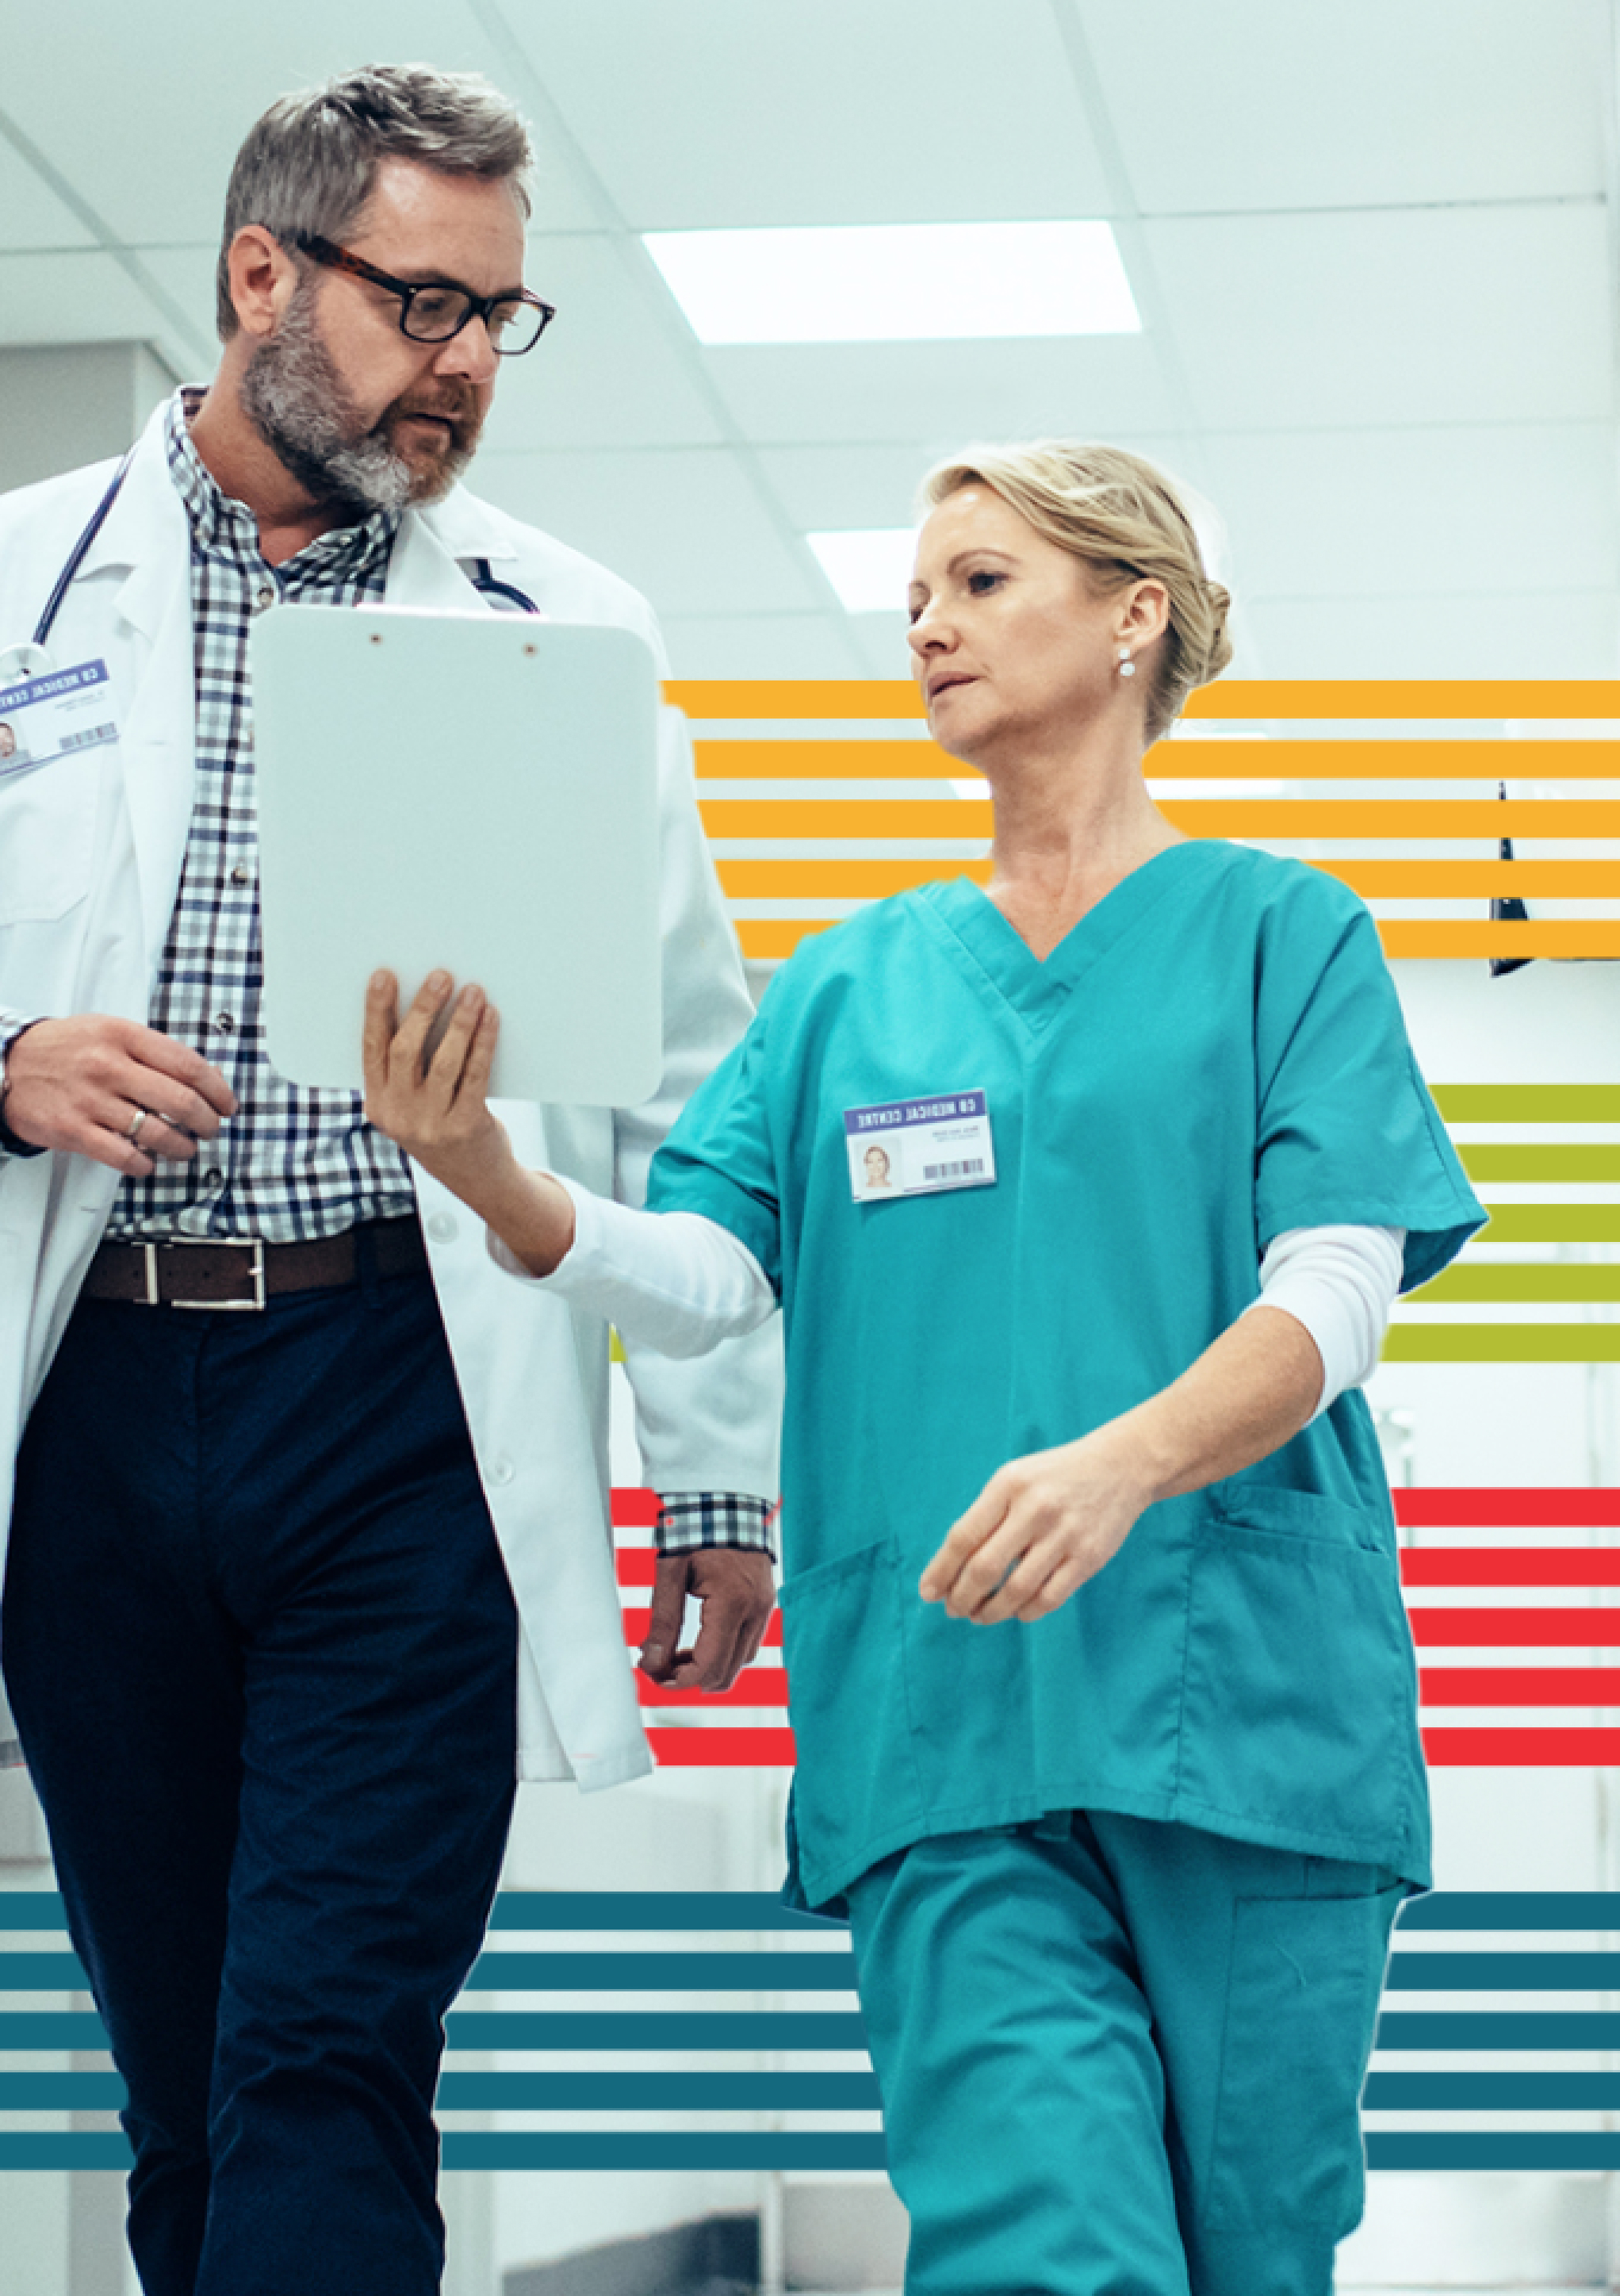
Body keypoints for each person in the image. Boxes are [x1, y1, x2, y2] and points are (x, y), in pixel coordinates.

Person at [365, 440, 1486, 2296]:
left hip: (1251, 1708)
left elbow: (1337, 1288)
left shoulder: (1286, 934)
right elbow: (711, 1267)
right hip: (945, 1719)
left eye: (976, 582)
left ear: (1134, 617)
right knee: (1043, 2250)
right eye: (912, 595)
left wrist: (1122, 1460)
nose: (923, 625)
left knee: (1251, 2253)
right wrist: (494, 1173)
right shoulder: (844, 987)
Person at [0, 66, 780, 2296]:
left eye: (499, 315)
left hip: (402, 1395)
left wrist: (717, 1473)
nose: (465, 362)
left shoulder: (563, 629)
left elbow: (689, 1090)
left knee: (325, 2041)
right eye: (420, 302)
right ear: (258, 274)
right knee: (184, 2072)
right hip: (91, 1397)